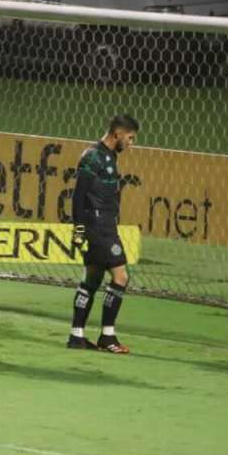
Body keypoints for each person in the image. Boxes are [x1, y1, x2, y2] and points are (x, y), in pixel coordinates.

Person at [67, 114, 139, 354]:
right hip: (98, 227)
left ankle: (76, 336)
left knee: (93, 278)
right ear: (117, 134)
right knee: (121, 277)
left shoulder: (109, 156)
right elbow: (79, 195)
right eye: (130, 138)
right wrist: (78, 227)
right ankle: (107, 336)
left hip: (103, 225)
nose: (131, 143)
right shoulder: (93, 156)